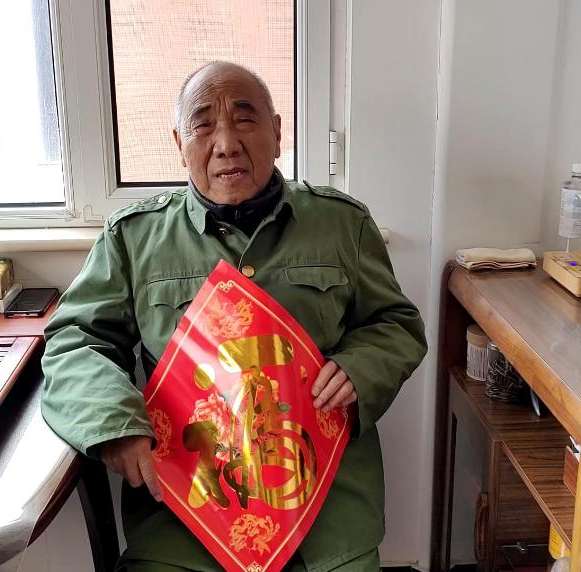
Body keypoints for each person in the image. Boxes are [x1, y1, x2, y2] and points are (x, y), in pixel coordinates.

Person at [41, 61, 426, 571]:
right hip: (184, 511)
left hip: (325, 510)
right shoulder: (134, 237)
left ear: (277, 133)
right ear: (180, 143)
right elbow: (75, 340)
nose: (225, 144)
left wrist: (360, 369)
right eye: (203, 126)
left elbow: (395, 324)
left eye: (245, 120)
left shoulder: (341, 224)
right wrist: (114, 422)